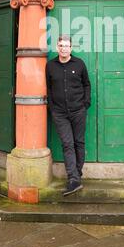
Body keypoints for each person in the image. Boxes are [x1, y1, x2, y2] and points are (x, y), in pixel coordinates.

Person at [46, 35, 91, 196]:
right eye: (61, 45)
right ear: (57, 48)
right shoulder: (50, 66)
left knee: (79, 142)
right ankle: (73, 178)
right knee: (67, 143)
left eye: (66, 45)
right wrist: (52, 107)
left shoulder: (79, 64)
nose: (63, 48)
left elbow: (86, 84)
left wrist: (86, 103)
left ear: (71, 48)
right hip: (59, 113)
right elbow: (49, 88)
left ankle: (76, 175)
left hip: (78, 110)